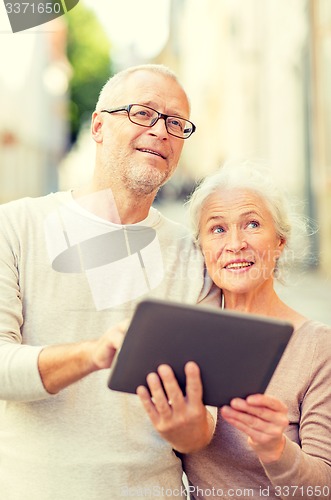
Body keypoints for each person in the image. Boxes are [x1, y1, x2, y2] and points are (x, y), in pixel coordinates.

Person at [0, 64, 217, 500]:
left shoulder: (194, 254)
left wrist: (191, 427)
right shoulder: (16, 225)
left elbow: (199, 431)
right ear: (98, 126)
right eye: (143, 113)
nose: (161, 130)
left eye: (176, 123)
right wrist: (95, 354)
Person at [137, 162, 331, 499]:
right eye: (217, 229)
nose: (236, 243)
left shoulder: (318, 347)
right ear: (201, 249)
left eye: (252, 224)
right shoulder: (185, 340)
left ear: (280, 241)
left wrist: (275, 448)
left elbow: (323, 488)